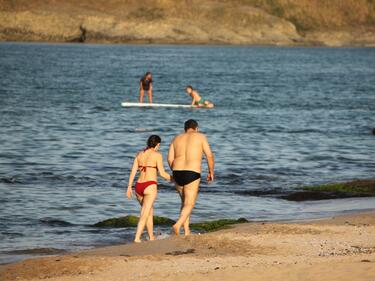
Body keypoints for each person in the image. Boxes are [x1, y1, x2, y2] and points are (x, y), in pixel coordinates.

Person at [168, 119, 215, 235]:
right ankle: (178, 225)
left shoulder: (176, 138)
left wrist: (173, 171)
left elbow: (169, 159)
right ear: (196, 128)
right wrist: (211, 172)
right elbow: (209, 155)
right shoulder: (200, 137)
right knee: (190, 203)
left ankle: (186, 231)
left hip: (177, 171)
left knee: (184, 202)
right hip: (192, 172)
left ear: (185, 129)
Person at [126, 135, 172, 243]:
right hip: (150, 186)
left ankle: (151, 237)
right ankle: (137, 238)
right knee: (145, 213)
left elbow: (133, 171)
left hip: (138, 186)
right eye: (159, 145)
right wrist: (173, 179)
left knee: (149, 212)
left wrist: (129, 187)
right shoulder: (157, 155)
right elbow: (162, 173)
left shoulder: (139, 154)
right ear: (157, 144)